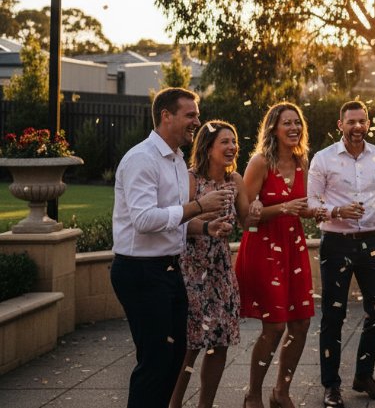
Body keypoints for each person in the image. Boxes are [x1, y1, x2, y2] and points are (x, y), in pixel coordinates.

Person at [110, 87, 234, 408]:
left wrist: (206, 225)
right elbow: (144, 220)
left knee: (175, 355)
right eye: (190, 115)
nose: (197, 121)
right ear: (166, 116)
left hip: (169, 268)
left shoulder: (177, 160)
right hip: (140, 271)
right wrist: (198, 206)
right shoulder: (141, 159)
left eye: (196, 114)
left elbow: (172, 221)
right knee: (154, 361)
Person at [307, 100, 375, 406]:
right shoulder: (323, 159)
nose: (357, 127)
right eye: (351, 122)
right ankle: (331, 385)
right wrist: (336, 209)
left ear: (368, 124)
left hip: (372, 242)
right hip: (336, 243)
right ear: (340, 126)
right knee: (333, 315)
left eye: (362, 121)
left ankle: (364, 375)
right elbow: (310, 203)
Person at [236, 102, 316, 408]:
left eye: (297, 123)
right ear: (274, 128)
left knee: (301, 323)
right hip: (264, 248)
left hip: (293, 248)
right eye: (287, 123)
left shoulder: (302, 162)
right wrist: (281, 208)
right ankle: (252, 393)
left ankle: (281, 392)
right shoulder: (259, 163)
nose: (294, 128)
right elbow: (245, 217)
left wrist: (324, 210)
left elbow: (303, 207)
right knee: (275, 325)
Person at [170, 120, 254, 408]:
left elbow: (246, 221)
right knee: (189, 345)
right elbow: (177, 222)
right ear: (208, 147)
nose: (232, 147)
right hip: (192, 269)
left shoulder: (235, 181)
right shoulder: (190, 178)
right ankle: (174, 403)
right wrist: (206, 226)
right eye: (225, 142)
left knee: (219, 344)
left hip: (220, 271)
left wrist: (254, 210)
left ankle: (205, 405)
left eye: (234, 142)